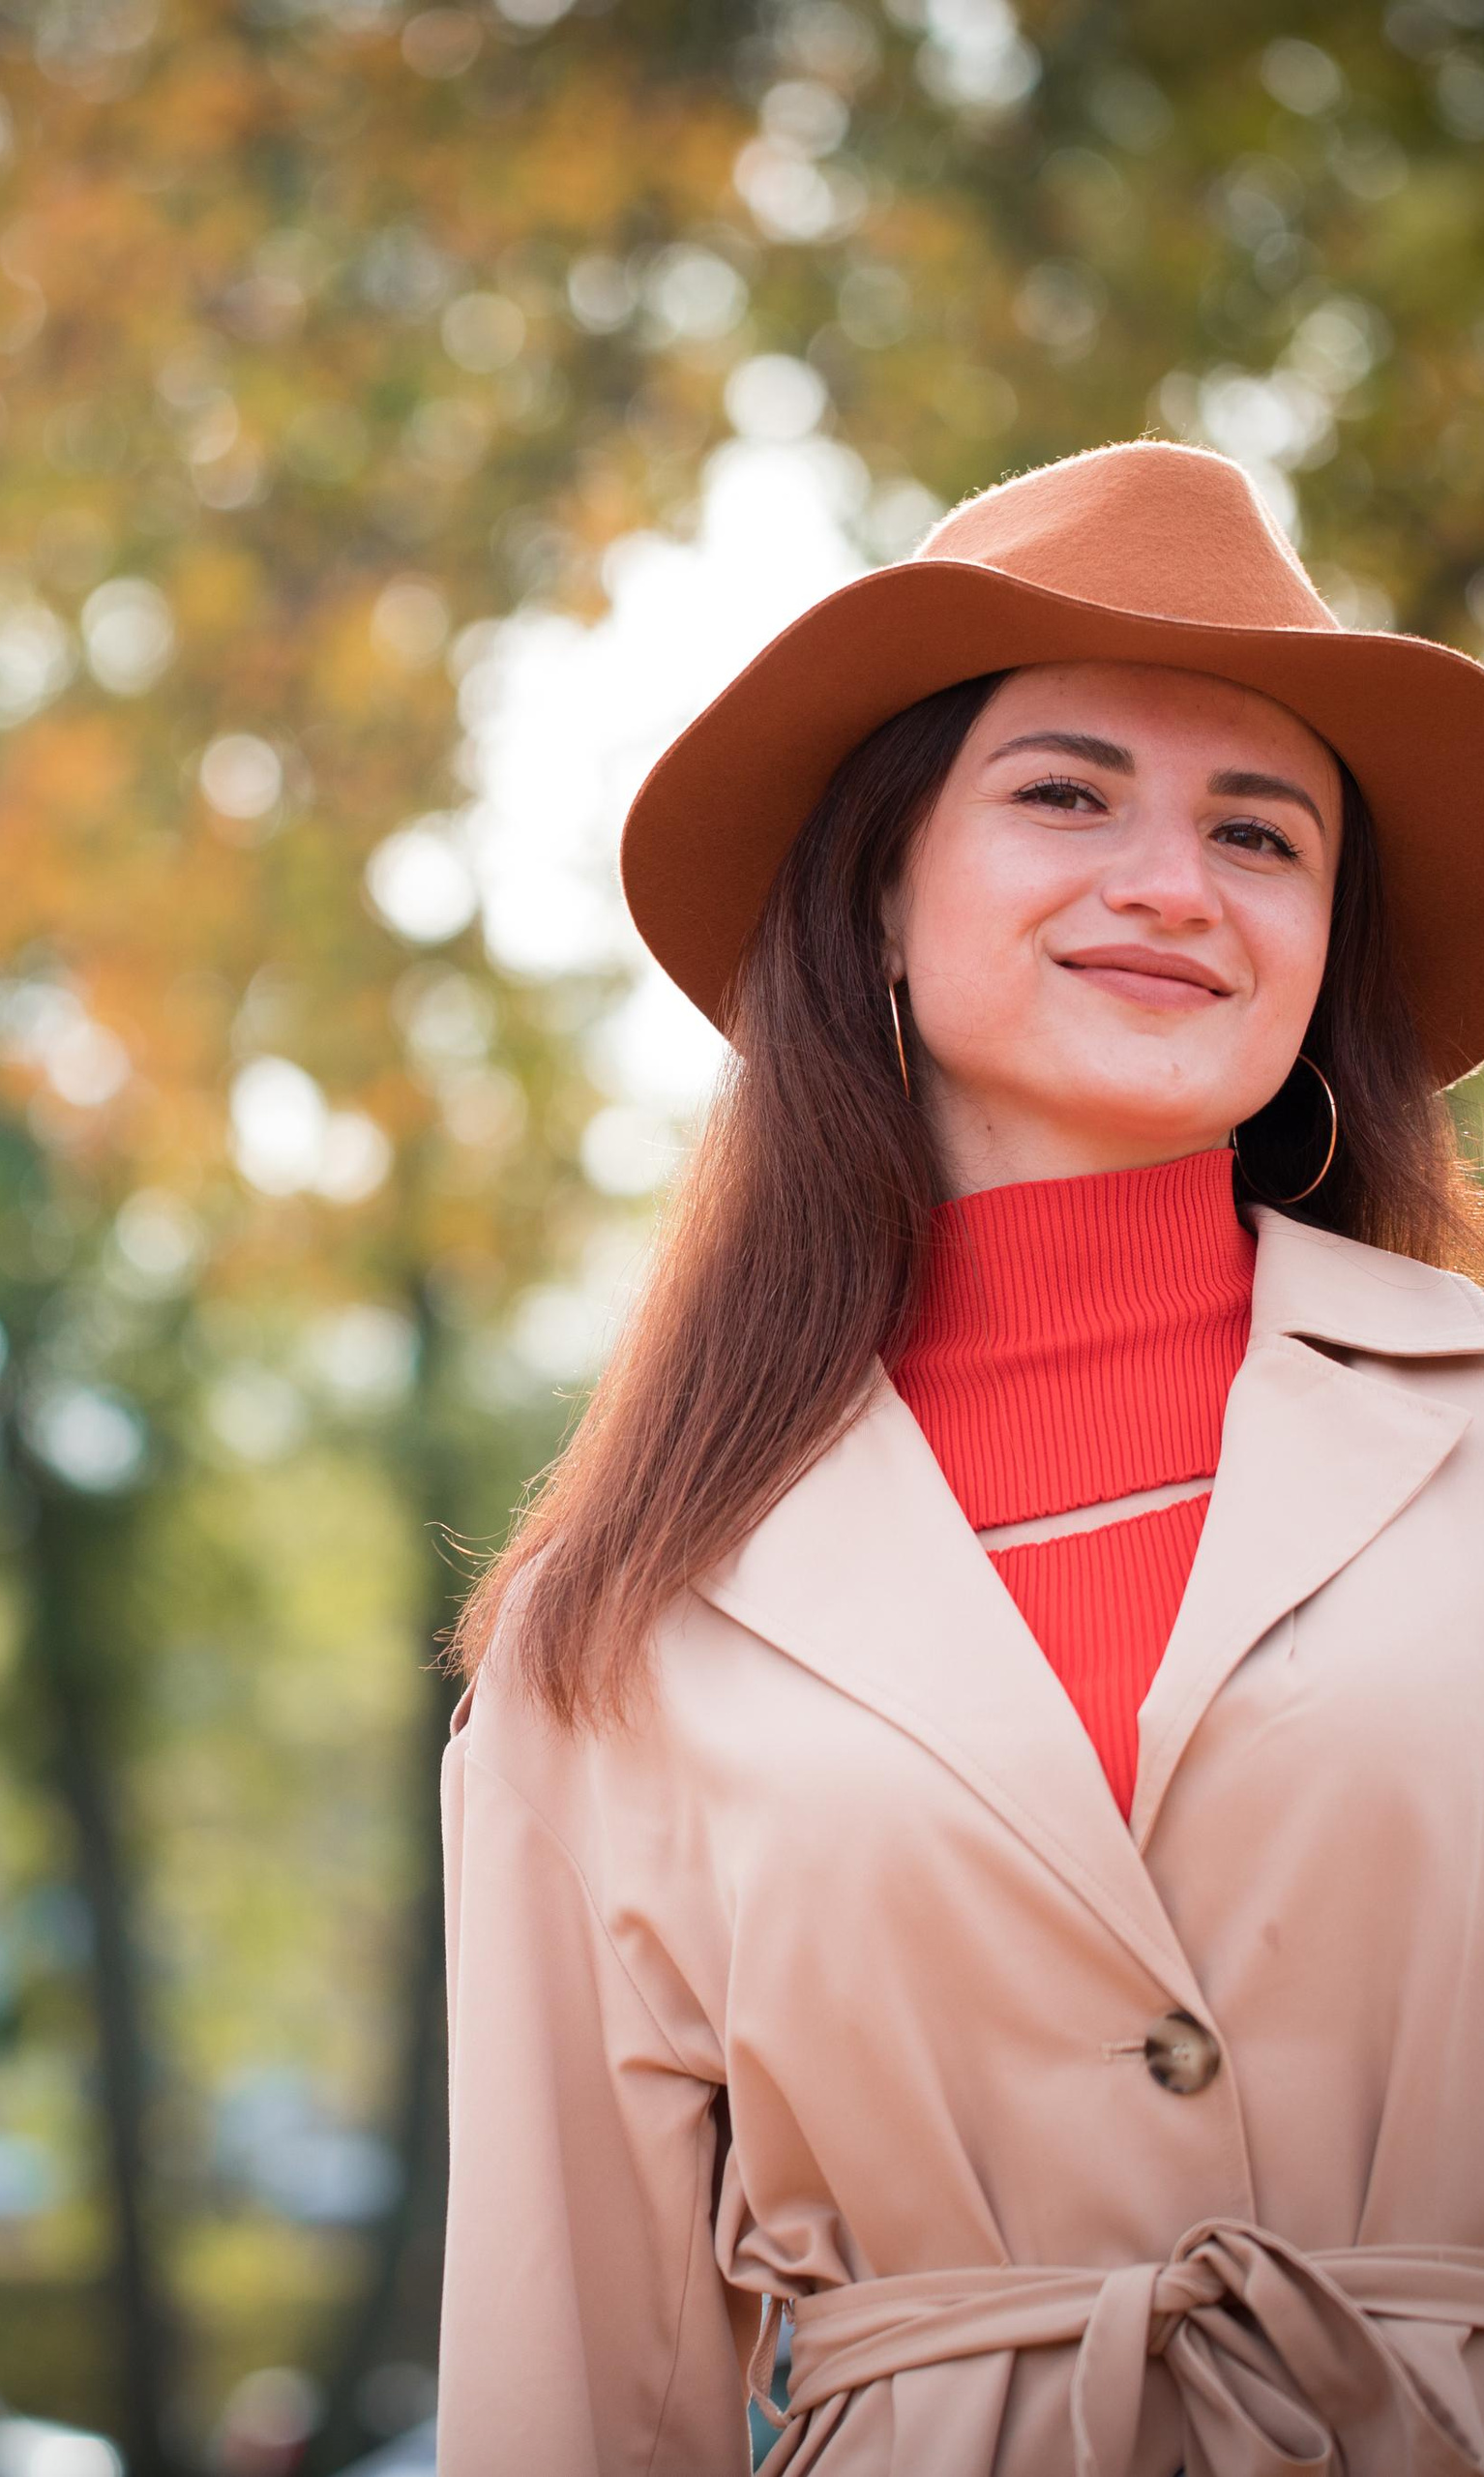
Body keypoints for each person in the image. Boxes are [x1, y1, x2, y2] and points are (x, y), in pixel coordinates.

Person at [433, 438, 1484, 2477]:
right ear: (879, 900)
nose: (1171, 883)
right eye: (1066, 794)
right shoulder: (614, 1629)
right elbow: (575, 2391)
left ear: (1318, 949)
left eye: (1257, 834)